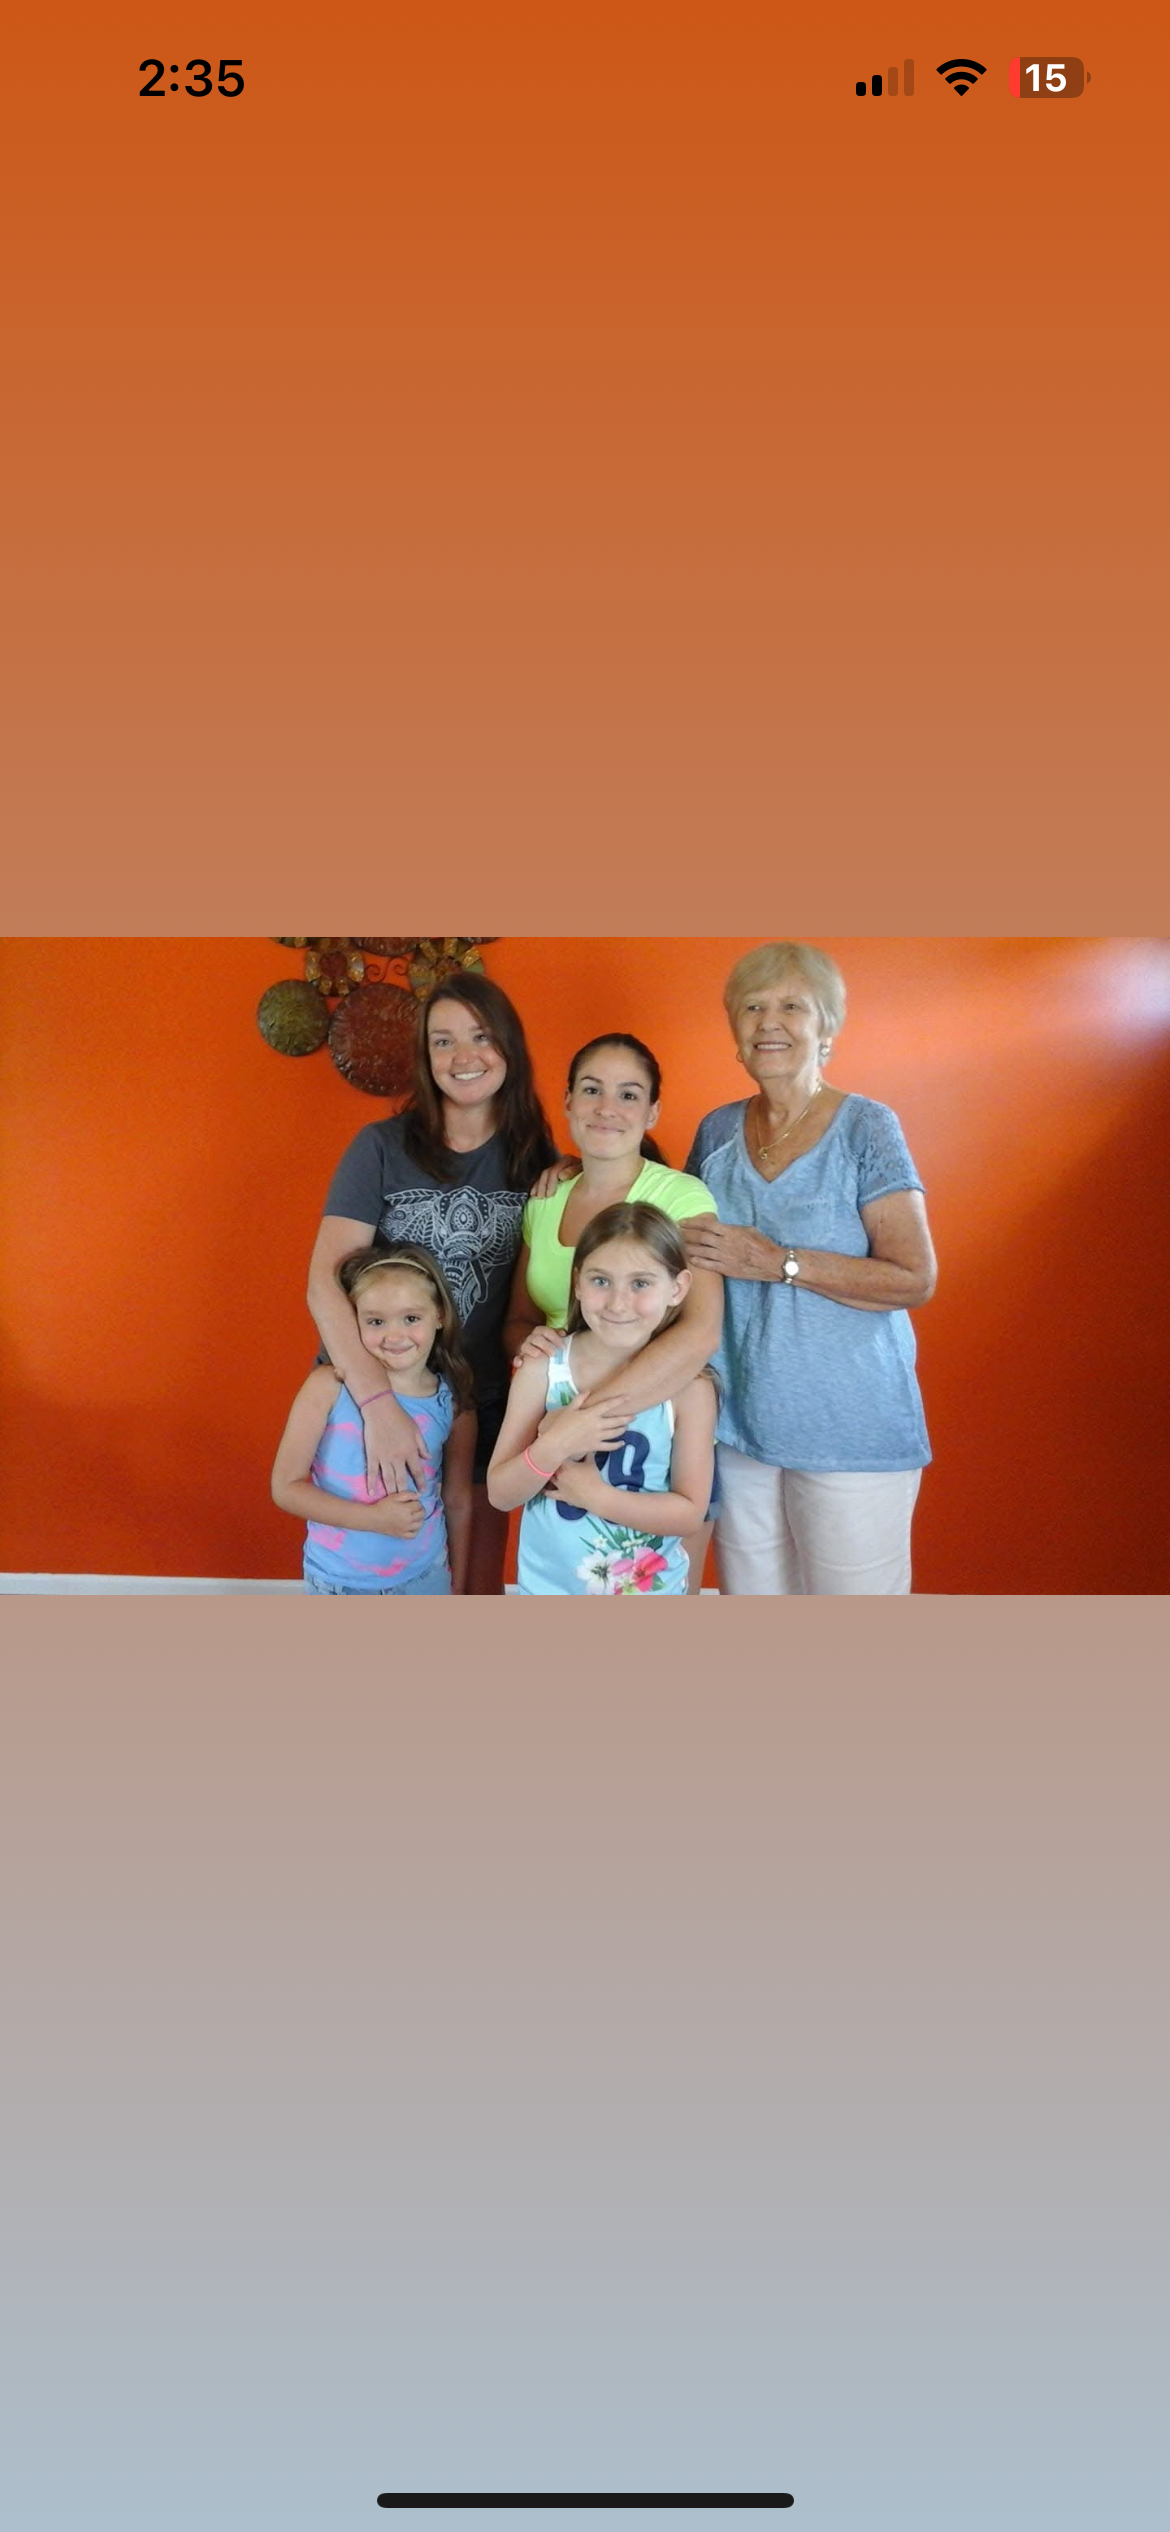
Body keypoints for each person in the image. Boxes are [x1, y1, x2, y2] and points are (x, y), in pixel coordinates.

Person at [681, 942, 938, 1596]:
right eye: (752, 1007)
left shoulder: (866, 1128)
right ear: (735, 1032)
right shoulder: (716, 1133)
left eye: (792, 1006)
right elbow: (671, 1243)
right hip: (737, 1428)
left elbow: (913, 1277)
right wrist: (576, 1171)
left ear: (827, 1027)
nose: (769, 1022)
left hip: (851, 1431)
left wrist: (780, 1262)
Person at [307, 973, 557, 1595]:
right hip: (381, 1392)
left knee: (474, 1579)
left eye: (481, 1036)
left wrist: (574, 1175)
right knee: (377, 1573)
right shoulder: (380, 1147)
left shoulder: (537, 1158)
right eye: (443, 1041)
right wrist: (378, 1405)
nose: (463, 1056)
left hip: (484, 1398)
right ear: (425, 1056)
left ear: (509, 1047)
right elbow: (324, 1284)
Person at [502, 1032, 724, 1589]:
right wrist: (535, 1360)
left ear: (652, 1112)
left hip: (651, 1418)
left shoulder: (682, 1196)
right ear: (568, 1101)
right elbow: (520, 1322)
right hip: (554, 1408)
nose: (607, 1107)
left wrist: (578, 1423)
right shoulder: (546, 1197)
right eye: (591, 1089)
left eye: (628, 1094)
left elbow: (700, 1331)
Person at [488, 1203, 716, 1595]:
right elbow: (500, 1494)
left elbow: (689, 1514)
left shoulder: (691, 1388)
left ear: (677, 1288)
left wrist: (597, 1497)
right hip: (546, 1590)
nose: (617, 1303)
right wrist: (556, 1444)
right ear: (577, 1282)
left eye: (640, 1283)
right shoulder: (543, 1367)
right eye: (600, 1281)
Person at [273, 1245, 476, 1593]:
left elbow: (458, 1500)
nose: (394, 1336)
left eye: (411, 1318)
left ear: (439, 1315)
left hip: (426, 1577)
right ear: (354, 1321)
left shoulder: (453, 1403)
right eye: (376, 1321)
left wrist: (457, 1583)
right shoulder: (328, 1387)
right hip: (338, 1583)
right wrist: (373, 1519)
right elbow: (285, 1488)